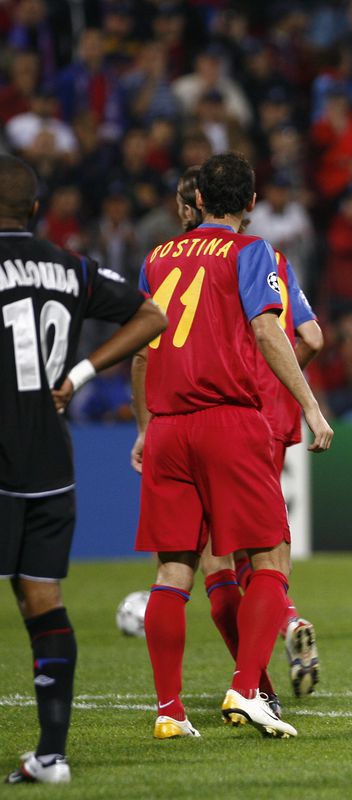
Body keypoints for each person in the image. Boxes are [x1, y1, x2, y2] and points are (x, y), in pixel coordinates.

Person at [131, 152, 333, 741]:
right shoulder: (253, 253)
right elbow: (275, 330)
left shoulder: (156, 258)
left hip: (167, 427)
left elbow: (143, 352)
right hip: (227, 422)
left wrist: (144, 427)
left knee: (174, 570)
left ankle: (169, 712)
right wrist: (310, 405)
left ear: (194, 201)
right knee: (271, 558)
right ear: (250, 202)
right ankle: (248, 689)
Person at [1, 153, 167, 784]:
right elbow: (152, 314)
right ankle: (51, 754)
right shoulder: (68, 266)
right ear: (36, 211)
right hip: (49, 454)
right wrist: (79, 373)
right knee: (43, 599)